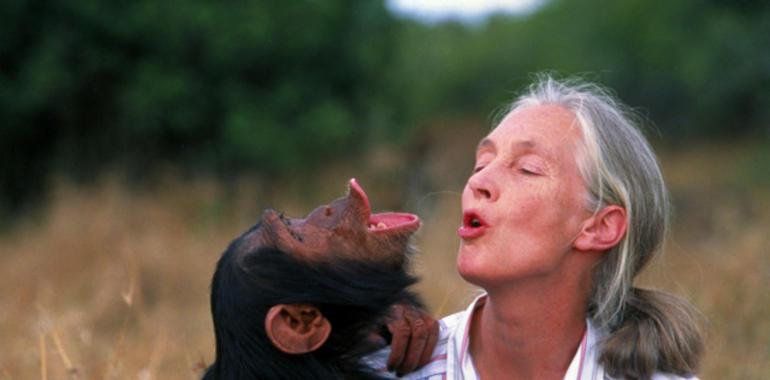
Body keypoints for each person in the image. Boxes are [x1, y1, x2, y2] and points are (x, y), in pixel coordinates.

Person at [371, 75, 704, 380]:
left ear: (600, 227)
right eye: (482, 163)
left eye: (527, 169)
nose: (478, 181)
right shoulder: (387, 367)